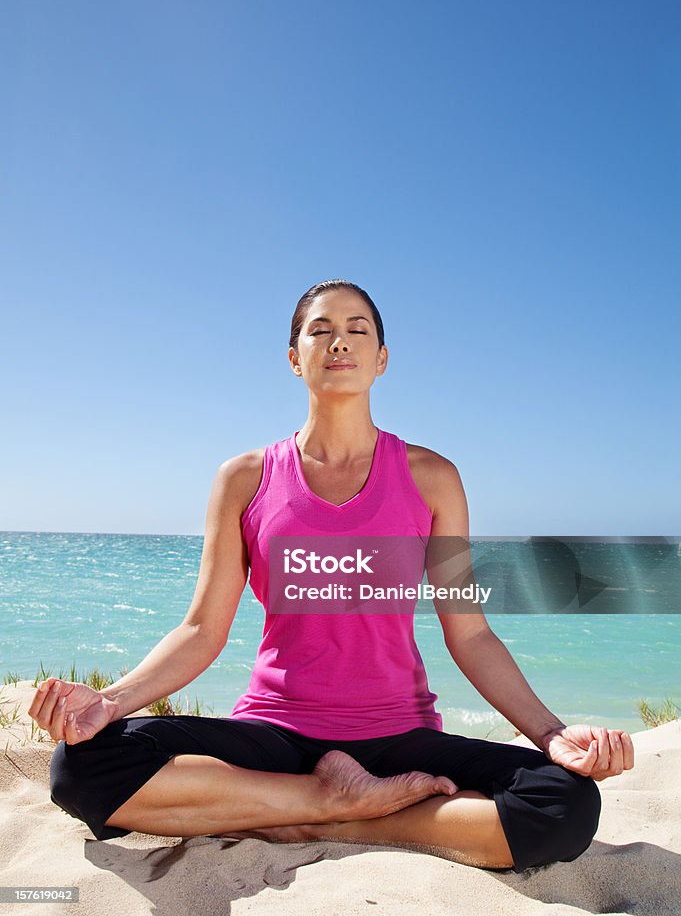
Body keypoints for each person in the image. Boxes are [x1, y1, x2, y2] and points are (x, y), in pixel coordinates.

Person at [34, 279, 634, 873]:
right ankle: (322, 802)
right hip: (275, 732)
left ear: (381, 359)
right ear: (295, 359)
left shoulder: (433, 478)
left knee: (566, 802)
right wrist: (107, 703)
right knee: (80, 764)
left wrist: (551, 734)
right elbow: (200, 631)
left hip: (399, 738)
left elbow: (470, 634)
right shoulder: (245, 478)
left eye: (357, 331)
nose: (339, 343)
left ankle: (332, 816)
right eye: (320, 331)